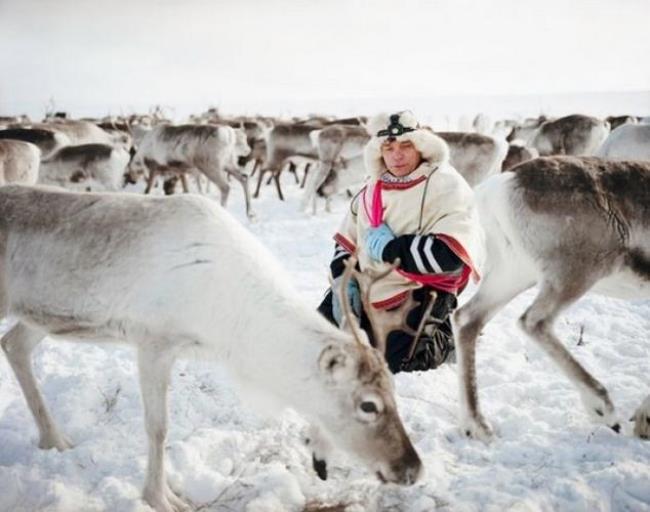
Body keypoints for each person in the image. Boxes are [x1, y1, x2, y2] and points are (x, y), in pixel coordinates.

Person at [318, 111, 485, 373]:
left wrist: (390, 248)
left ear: (421, 146)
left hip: (420, 289)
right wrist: (343, 279)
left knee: (397, 364)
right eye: (389, 147)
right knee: (319, 343)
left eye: (406, 146)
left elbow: (449, 256)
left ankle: (448, 335)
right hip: (366, 286)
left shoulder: (447, 185)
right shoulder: (372, 188)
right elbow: (347, 240)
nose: (397, 155)